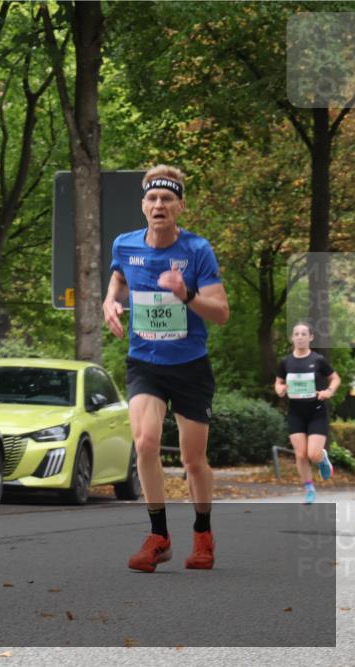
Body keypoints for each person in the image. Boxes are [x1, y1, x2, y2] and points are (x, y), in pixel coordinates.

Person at [103, 165, 230, 573]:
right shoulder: (124, 244)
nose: (159, 205)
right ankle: (158, 536)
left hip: (190, 364)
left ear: (180, 206)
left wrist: (186, 293)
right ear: (143, 205)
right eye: (153, 199)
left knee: (194, 460)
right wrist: (110, 301)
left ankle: (203, 534)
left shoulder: (197, 250)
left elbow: (222, 312)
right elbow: (119, 278)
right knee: (144, 443)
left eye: (167, 199)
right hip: (145, 362)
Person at [274, 321, 341, 504]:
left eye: (304, 334)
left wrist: (329, 391)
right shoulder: (286, 362)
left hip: (316, 411)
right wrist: (279, 389)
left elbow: (335, 379)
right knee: (300, 454)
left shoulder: (318, 360)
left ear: (311, 337)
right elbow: (278, 383)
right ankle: (309, 488)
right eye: (297, 334)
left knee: (312, 454)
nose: (300, 337)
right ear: (292, 338)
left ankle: (322, 459)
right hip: (295, 412)